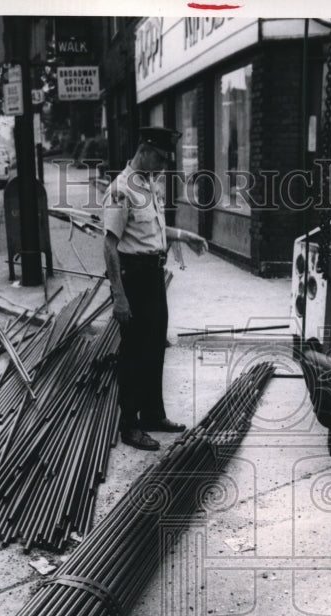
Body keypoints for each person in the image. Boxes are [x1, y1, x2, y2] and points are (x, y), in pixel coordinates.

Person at [102, 126, 208, 451]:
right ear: (144, 150)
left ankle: (152, 414)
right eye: (160, 159)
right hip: (132, 278)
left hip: (152, 277)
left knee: (153, 348)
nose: (163, 166)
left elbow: (155, 232)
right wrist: (119, 296)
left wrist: (185, 236)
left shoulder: (148, 185)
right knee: (134, 353)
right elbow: (109, 246)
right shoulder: (121, 189)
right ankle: (129, 425)